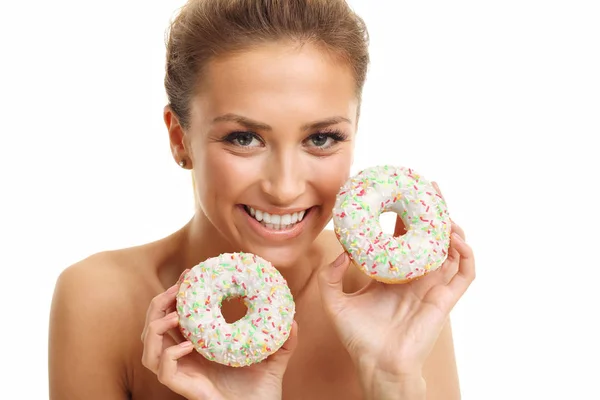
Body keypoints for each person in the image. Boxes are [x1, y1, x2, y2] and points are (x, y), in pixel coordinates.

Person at [48, 0, 475, 399]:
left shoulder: (396, 298)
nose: (285, 187)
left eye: (321, 138)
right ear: (181, 139)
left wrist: (393, 380)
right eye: (245, 138)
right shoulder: (100, 302)